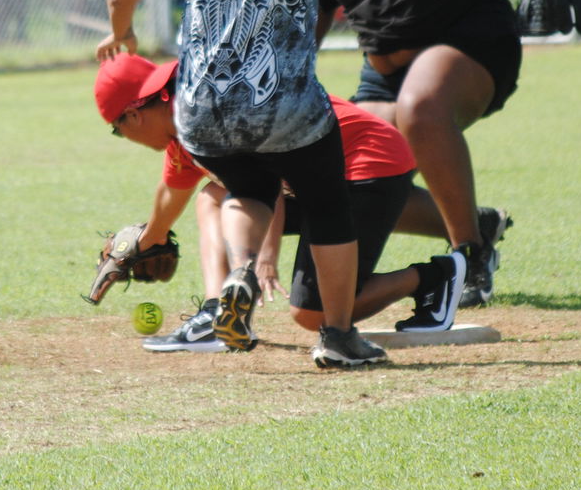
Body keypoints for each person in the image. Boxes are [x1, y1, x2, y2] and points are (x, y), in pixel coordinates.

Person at [98, 0, 470, 369]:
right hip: (287, 106)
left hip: (204, 110)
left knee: (244, 190)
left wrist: (121, 34)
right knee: (326, 204)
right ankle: (340, 337)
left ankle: (238, 276)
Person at [307, 0, 551, 307]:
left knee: (421, 107)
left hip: (470, 41)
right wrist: (296, 68)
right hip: (382, 74)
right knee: (359, 180)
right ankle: (476, 225)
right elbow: (316, 8)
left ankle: (469, 259)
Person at [94, 54, 490, 352]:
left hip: (367, 164)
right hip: (313, 175)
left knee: (312, 315)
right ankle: (217, 315)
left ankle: (435, 276)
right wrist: (141, 243)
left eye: (116, 129)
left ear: (134, 114)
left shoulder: (211, 111)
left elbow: (270, 174)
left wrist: (262, 259)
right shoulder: (184, 128)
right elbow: (168, 202)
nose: (122, 136)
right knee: (211, 198)